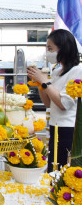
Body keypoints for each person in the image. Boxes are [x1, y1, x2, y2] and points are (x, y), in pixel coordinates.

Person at [27, 29, 82, 172]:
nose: (48, 52)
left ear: (64, 48)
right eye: (47, 48)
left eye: (50, 48)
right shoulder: (57, 71)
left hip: (68, 129)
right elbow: (48, 103)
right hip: (54, 126)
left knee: (62, 169)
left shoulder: (78, 71)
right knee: (53, 167)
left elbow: (63, 103)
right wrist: (39, 84)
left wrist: (45, 82)